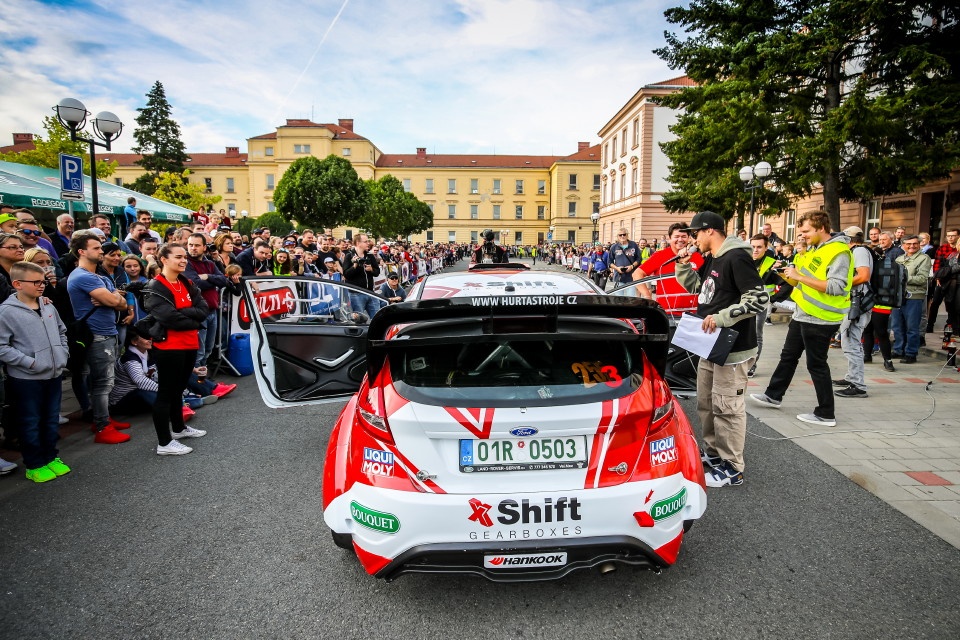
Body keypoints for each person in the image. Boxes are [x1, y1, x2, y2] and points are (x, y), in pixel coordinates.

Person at [675, 211, 768, 487]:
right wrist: (683, 266)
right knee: (707, 402)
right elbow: (701, 290)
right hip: (710, 344)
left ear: (710, 231)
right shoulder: (713, 258)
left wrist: (722, 317)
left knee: (727, 407)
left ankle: (732, 467)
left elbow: (759, 298)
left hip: (733, 347)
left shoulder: (736, 257)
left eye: (695, 234)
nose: (693, 240)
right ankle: (715, 453)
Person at [750, 211, 853, 427]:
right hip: (803, 313)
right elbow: (803, 282)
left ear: (821, 228)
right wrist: (787, 275)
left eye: (806, 231)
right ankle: (773, 395)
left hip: (821, 317)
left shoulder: (839, 252)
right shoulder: (816, 249)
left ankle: (826, 413)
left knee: (816, 364)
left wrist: (799, 276)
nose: (803, 235)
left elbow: (836, 287)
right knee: (788, 356)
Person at [0, 261, 71, 483]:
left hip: (54, 374)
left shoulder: (48, 306)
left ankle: (50, 457)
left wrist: (62, 353)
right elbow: (2, 346)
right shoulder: (6, 312)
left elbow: (62, 331)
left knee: (50, 420)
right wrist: (30, 363)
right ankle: (34, 464)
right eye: (36, 282)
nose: (42, 286)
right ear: (17, 284)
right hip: (26, 379)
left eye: (43, 281)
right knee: (30, 421)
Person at [141, 243, 210, 455]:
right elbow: (170, 318)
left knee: (178, 389)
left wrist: (185, 313)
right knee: (166, 393)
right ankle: (164, 443)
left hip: (190, 343)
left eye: (184, 257)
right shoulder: (155, 286)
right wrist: (193, 318)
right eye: (178, 257)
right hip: (169, 347)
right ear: (164, 259)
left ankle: (179, 429)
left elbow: (203, 309)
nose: (183, 260)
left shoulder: (186, 282)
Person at [66, 234, 132, 444]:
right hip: (96, 335)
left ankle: (102, 419)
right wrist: (112, 299)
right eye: (96, 248)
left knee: (103, 381)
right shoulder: (82, 276)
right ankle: (103, 426)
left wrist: (111, 299)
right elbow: (114, 301)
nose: (101, 251)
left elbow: (122, 304)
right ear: (81, 252)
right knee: (102, 383)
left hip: (107, 332)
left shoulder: (100, 277)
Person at [833, 227, 874, 398]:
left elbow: (864, 276)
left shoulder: (860, 251)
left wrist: (842, 283)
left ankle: (858, 385)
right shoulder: (858, 251)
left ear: (848, 239)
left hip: (859, 304)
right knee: (849, 341)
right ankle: (851, 377)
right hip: (856, 302)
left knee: (851, 343)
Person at [632, 223, 704, 314]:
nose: (680, 239)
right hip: (667, 314)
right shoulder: (660, 256)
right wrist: (647, 296)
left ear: (689, 238)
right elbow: (637, 274)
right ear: (669, 238)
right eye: (676, 236)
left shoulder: (697, 256)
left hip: (693, 313)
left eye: (684, 236)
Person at [890, 235, 932, 364]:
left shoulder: (924, 258)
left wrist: (902, 278)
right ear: (903, 245)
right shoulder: (899, 258)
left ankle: (911, 353)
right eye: (908, 244)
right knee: (897, 326)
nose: (912, 246)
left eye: (915, 243)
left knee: (912, 327)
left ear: (919, 244)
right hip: (898, 296)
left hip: (914, 296)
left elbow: (922, 279)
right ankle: (898, 350)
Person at [748, 234, 780, 377]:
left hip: (760, 305)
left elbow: (786, 284)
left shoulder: (772, 263)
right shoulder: (743, 260)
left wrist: (772, 298)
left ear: (766, 248)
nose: (755, 250)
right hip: (742, 303)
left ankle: (752, 365)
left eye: (759, 247)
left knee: (756, 334)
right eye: (753, 246)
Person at [926, 229, 959, 333]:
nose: (950, 237)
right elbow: (937, 264)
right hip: (942, 279)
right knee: (935, 302)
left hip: (954, 281)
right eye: (948, 235)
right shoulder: (943, 248)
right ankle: (930, 325)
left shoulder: (958, 249)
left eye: (953, 235)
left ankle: (950, 325)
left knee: (951, 303)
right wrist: (937, 278)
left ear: (958, 236)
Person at [343, 233, 383, 318]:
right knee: (359, 319)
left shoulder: (370, 256)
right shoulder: (349, 256)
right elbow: (346, 275)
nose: (368, 243)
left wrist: (371, 269)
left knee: (377, 318)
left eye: (368, 241)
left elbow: (377, 272)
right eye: (365, 241)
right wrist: (354, 266)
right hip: (356, 293)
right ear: (358, 243)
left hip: (370, 292)